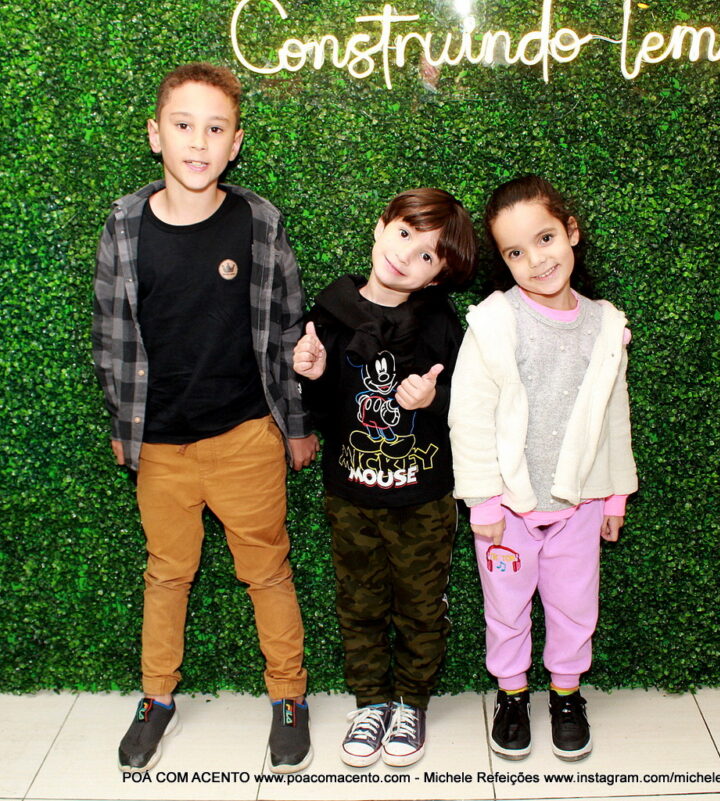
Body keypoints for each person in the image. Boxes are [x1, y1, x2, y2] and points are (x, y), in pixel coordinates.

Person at [92, 62, 318, 775]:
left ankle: (289, 696)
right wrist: (123, 426)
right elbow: (110, 336)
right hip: (160, 446)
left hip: (246, 436)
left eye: (215, 129)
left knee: (268, 571)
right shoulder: (125, 226)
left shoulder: (259, 223)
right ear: (155, 134)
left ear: (236, 143)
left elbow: (287, 330)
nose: (199, 142)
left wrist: (298, 424)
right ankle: (156, 697)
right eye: (184, 125)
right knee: (167, 574)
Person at [448, 174, 638, 763]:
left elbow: (614, 415)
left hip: (579, 503)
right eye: (515, 252)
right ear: (503, 261)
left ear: (571, 232)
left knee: (575, 605)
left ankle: (565, 695)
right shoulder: (494, 323)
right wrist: (482, 500)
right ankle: (511, 695)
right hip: (507, 508)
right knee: (506, 608)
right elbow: (469, 416)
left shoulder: (605, 326)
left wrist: (614, 495)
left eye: (546, 238)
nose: (536, 260)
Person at [293, 189, 477, 767]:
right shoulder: (330, 311)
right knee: (360, 603)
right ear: (380, 228)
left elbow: (472, 403)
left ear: (436, 277)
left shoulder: (440, 321)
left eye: (427, 255)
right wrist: (313, 377)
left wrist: (432, 399)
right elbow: (325, 415)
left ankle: (412, 703)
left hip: (423, 497)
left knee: (421, 606)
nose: (406, 256)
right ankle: (371, 702)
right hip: (351, 495)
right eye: (403, 234)